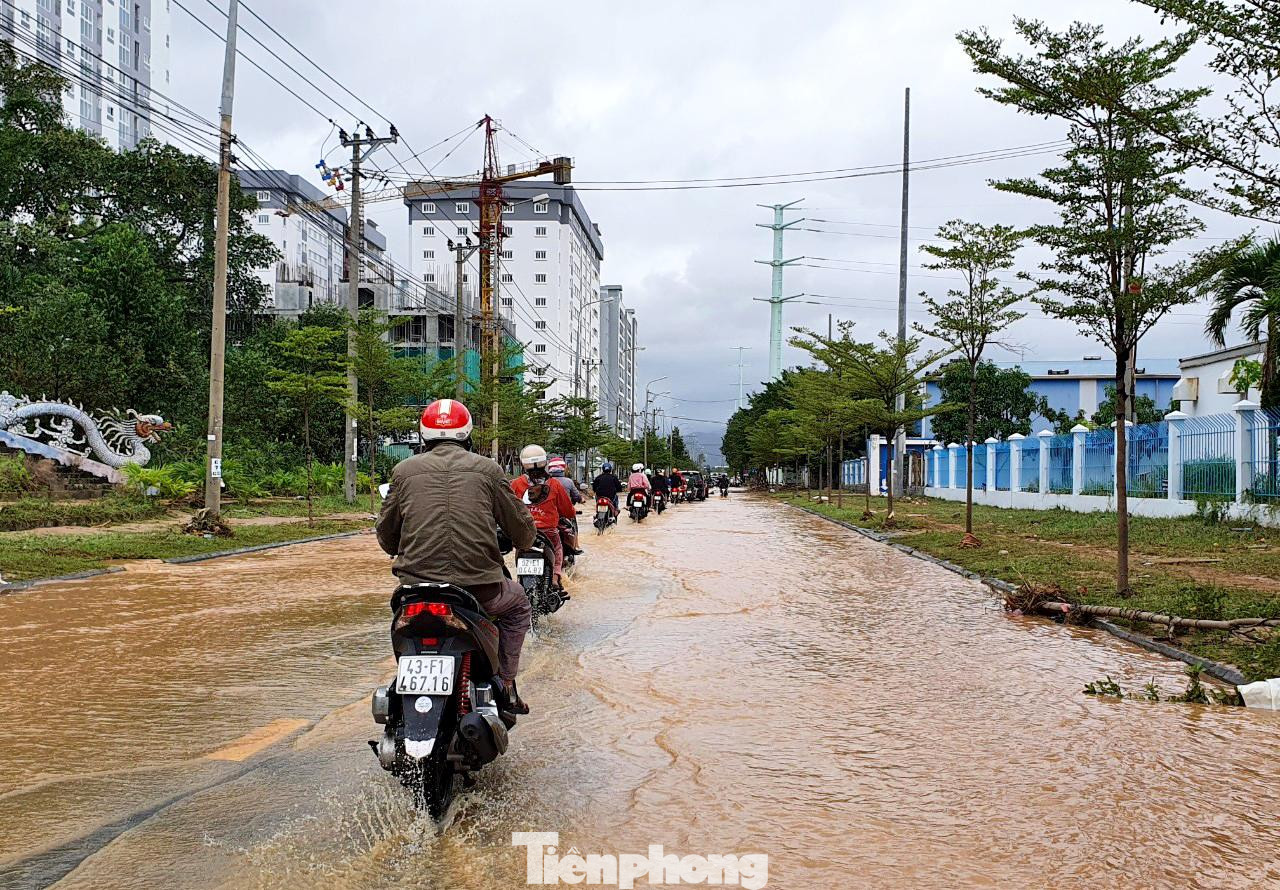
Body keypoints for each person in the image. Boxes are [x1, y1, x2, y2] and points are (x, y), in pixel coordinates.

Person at [376, 399, 536, 714]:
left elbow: (386, 537)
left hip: (413, 594)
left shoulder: (403, 471)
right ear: (467, 434)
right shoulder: (489, 470)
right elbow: (523, 532)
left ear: (424, 435)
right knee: (518, 605)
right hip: (481, 590)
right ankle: (506, 684)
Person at [511, 445, 576, 589]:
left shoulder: (516, 484)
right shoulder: (554, 484)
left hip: (524, 532)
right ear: (544, 463)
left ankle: (520, 579)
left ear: (523, 464)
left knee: (520, 549)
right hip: (548, 531)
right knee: (558, 548)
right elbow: (568, 511)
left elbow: (508, 507)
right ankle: (555, 577)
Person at [546, 456, 582, 556]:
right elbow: (576, 496)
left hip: (548, 514)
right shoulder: (568, 482)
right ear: (563, 468)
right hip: (565, 514)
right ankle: (575, 545)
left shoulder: (546, 482)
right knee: (573, 526)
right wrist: (580, 500)